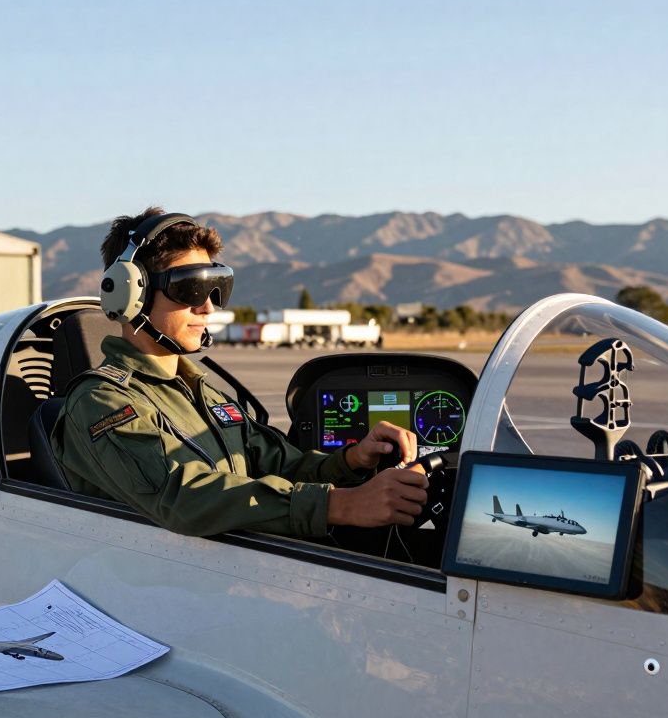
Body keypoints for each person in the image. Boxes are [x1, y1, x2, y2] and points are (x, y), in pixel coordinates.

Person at [51, 207, 429, 538]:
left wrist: (352, 461)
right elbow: (182, 497)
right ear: (129, 294)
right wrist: (341, 505)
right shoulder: (100, 402)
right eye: (190, 289)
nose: (208, 308)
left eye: (216, 288)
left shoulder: (201, 393)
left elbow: (281, 465)